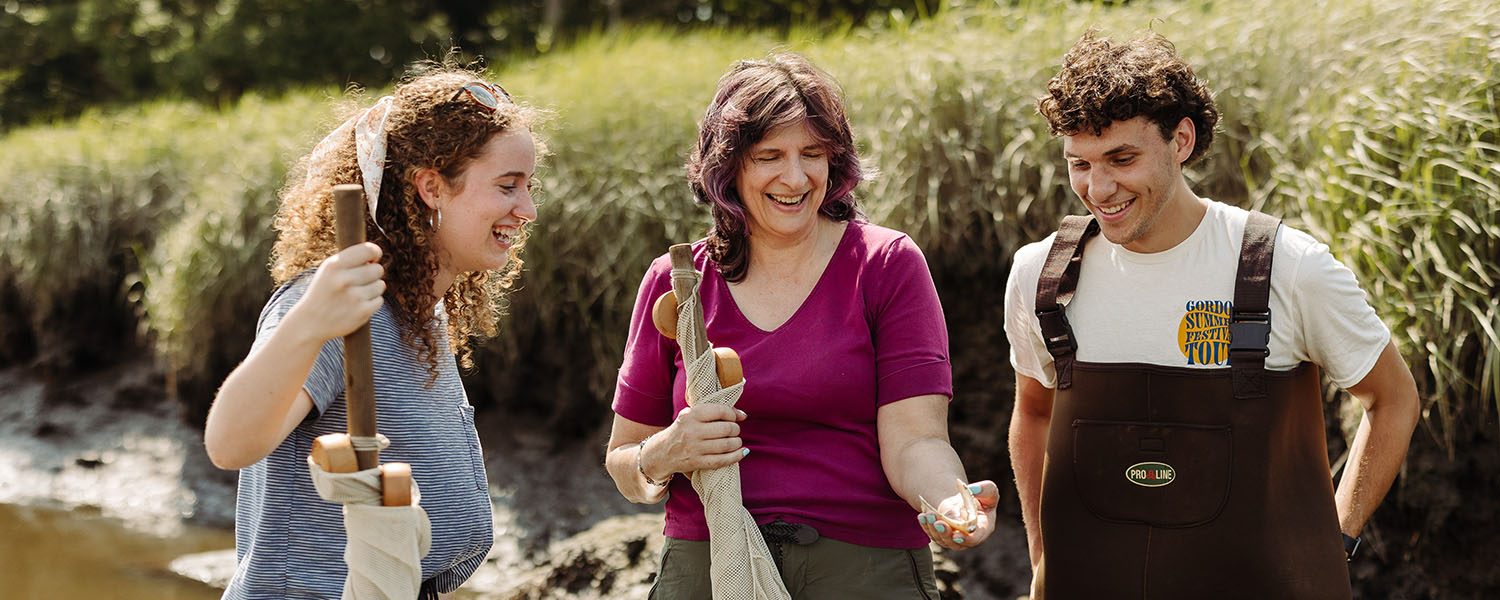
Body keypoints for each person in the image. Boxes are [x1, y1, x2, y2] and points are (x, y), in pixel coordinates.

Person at [1004, 29, 1421, 598]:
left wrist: (1336, 537)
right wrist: (1041, 561)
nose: (1098, 189)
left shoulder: (1289, 269)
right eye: (1079, 164)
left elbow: (1393, 399)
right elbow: (1033, 414)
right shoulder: (1040, 277)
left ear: (1180, 140)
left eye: (1121, 158)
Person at [602, 52, 999, 599]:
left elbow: (916, 441)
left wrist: (950, 501)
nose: (795, 177)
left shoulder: (886, 264)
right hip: (709, 561)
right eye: (770, 156)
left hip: (863, 565)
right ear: (728, 167)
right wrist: (667, 451)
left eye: (813, 154)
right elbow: (626, 461)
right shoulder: (678, 281)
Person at [202, 65, 541, 599]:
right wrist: (310, 320)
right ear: (431, 188)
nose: (527, 209)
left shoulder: (421, 313)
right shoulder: (340, 307)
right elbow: (229, 444)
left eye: (528, 186)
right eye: (507, 186)